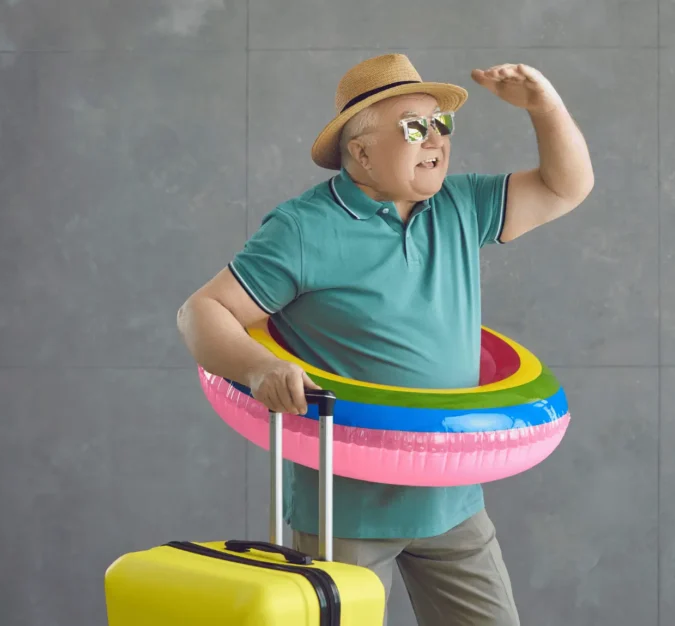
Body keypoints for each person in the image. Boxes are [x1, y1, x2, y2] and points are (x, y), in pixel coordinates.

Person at [177, 53, 593, 626]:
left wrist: (545, 107)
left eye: (440, 125)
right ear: (361, 152)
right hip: (346, 508)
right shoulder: (303, 228)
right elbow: (202, 311)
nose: (436, 140)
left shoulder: (461, 205)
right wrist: (255, 367)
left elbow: (565, 187)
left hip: (450, 496)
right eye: (415, 127)